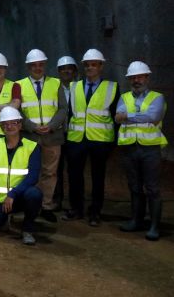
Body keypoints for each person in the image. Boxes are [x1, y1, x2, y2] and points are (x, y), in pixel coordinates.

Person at [63, 49, 119, 226]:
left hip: (100, 140)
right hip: (76, 139)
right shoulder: (75, 86)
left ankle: (95, 211)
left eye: (93, 64)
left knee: (98, 176)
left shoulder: (112, 87)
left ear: (101, 66)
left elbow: (115, 116)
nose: (90, 68)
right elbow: (72, 113)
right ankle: (76, 208)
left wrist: (113, 142)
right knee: (74, 175)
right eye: (87, 65)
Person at [115, 61, 167, 241]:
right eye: (133, 78)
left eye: (140, 77)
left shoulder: (157, 97)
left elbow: (153, 117)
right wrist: (134, 118)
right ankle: (136, 220)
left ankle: (154, 226)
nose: (136, 80)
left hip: (150, 149)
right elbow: (117, 117)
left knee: (152, 188)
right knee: (135, 187)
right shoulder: (124, 97)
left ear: (147, 77)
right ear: (129, 79)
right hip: (130, 148)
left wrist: (128, 116)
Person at [0, 106, 42, 246]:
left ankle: (27, 229)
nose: (10, 126)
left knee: (34, 194)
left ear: (20, 124)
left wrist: (13, 194)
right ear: (1, 127)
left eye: (14, 123)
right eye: (5, 124)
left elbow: (33, 177)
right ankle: (3, 219)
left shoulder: (32, 147)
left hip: (18, 198)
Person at [17, 49, 67, 223]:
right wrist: (32, 127)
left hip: (51, 137)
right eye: (33, 65)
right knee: (29, 172)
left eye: (40, 65)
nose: (37, 68)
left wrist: (51, 126)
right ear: (28, 67)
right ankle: (30, 204)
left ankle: (46, 205)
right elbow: (17, 112)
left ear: (44, 65)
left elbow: (62, 109)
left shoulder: (56, 83)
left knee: (49, 172)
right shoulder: (19, 85)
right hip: (29, 137)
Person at [52, 56, 78, 210]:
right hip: (58, 134)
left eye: (69, 68)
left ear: (75, 71)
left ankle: (74, 204)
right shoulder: (54, 88)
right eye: (62, 69)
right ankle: (56, 200)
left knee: (74, 170)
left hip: (75, 135)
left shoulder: (80, 87)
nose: (66, 71)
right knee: (56, 170)